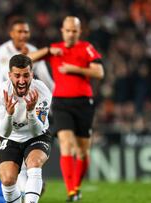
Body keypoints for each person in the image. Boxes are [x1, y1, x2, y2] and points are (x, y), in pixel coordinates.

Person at [28, 16, 105, 202]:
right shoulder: (55, 49)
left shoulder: (86, 48)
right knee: (66, 143)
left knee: (83, 150)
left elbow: (99, 72)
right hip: (61, 102)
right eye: (68, 30)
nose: (71, 34)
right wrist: (47, 50)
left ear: (79, 32)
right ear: (62, 30)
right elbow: (27, 59)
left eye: (74, 31)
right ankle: (71, 192)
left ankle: (76, 187)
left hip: (84, 102)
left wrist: (74, 69)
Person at [0, 17, 53, 195]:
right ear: (11, 33)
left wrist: (46, 103)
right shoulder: (1, 52)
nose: (23, 35)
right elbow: (7, 74)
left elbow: (45, 79)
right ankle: (30, 186)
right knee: (11, 179)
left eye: (26, 31)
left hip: (32, 104)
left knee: (32, 161)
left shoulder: (33, 53)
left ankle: (31, 185)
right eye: (19, 31)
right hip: (6, 104)